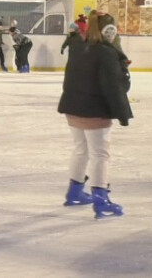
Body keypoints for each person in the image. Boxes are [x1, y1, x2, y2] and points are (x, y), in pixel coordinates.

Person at [57, 12, 132, 219]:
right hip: (94, 111)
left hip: (73, 108)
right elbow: (115, 88)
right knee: (100, 154)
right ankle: (100, 199)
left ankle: (75, 192)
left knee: (81, 150)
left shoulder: (79, 48)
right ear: (109, 31)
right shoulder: (107, 53)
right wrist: (124, 74)